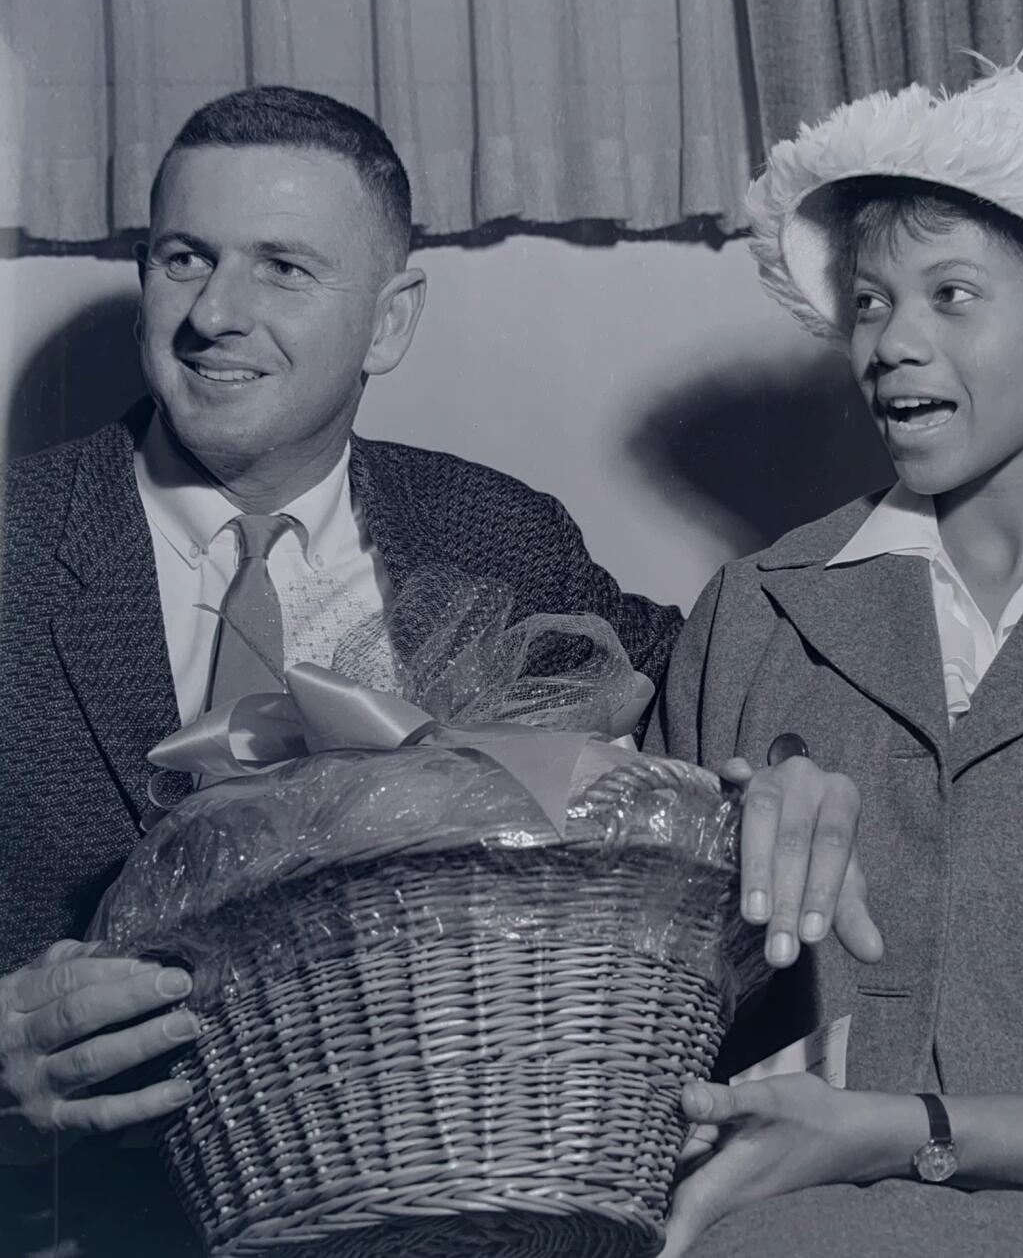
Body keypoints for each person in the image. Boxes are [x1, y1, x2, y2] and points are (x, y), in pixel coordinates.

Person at [0, 86, 877, 1255]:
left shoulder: (493, 533)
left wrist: (793, 774)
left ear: (389, 321)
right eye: (183, 257)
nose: (215, 311)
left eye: (283, 268)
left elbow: (710, 691)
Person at [650, 59, 1023, 1256]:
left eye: (952, 295)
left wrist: (906, 1128)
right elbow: (629, 1016)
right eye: (868, 301)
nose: (891, 342)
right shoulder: (755, 609)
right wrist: (713, 837)